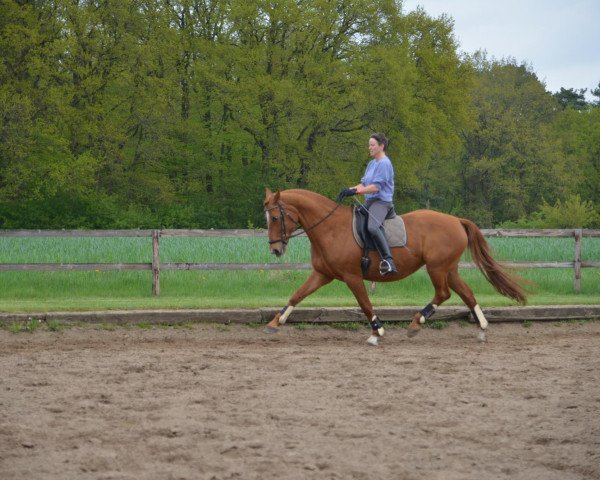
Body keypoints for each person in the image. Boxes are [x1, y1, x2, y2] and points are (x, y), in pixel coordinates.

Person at [338, 133, 397, 275]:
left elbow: (376, 187)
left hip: (382, 203)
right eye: (369, 145)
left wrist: (357, 192)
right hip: (370, 201)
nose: (369, 147)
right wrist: (350, 189)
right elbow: (364, 184)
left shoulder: (384, 163)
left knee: (372, 226)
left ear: (381, 146)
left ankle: (388, 261)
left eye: (372, 145)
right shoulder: (372, 164)